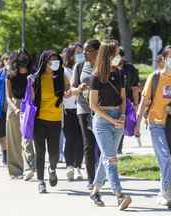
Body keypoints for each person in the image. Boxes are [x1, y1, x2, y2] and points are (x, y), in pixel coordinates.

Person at [134, 45, 171, 208]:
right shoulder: (155, 77)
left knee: (167, 159)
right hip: (156, 124)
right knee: (166, 156)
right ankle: (167, 192)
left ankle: (162, 192)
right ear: (164, 59)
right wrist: (137, 124)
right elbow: (144, 102)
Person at [89, 40, 131, 210]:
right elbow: (93, 105)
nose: (119, 56)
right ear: (108, 54)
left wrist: (121, 115)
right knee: (111, 158)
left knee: (106, 157)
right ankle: (119, 195)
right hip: (102, 121)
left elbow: (123, 98)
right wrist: (112, 120)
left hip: (117, 118)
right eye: (116, 52)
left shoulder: (119, 73)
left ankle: (95, 191)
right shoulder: (96, 76)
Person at [69, 39, 101, 190]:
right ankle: (91, 179)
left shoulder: (104, 66)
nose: (85, 53)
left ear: (97, 51)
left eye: (88, 51)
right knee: (88, 144)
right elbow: (71, 90)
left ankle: (101, 175)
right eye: (84, 51)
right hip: (84, 109)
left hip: (101, 109)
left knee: (101, 145)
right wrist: (79, 88)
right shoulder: (79, 66)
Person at [33, 50, 65, 193]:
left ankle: (52, 169)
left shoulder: (61, 76)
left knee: (54, 154)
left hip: (55, 120)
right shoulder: (36, 78)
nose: (54, 63)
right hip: (39, 120)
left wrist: (72, 92)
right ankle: (40, 181)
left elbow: (69, 90)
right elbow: (30, 98)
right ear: (44, 62)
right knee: (40, 151)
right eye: (51, 60)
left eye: (56, 60)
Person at [5, 50, 35, 180]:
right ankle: (15, 170)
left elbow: (34, 93)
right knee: (13, 140)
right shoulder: (10, 75)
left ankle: (29, 168)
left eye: (25, 65)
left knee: (27, 138)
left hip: (28, 104)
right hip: (14, 105)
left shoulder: (31, 75)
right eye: (21, 65)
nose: (23, 69)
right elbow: (8, 96)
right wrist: (15, 109)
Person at [61, 43, 84, 181]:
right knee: (70, 138)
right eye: (77, 52)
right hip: (67, 109)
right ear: (70, 54)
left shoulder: (85, 69)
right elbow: (63, 92)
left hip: (82, 108)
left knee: (81, 140)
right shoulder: (64, 71)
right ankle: (69, 166)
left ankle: (78, 167)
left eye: (82, 52)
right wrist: (71, 91)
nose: (80, 55)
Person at [117, 47, 141, 154]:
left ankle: (119, 149)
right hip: (110, 101)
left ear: (123, 57)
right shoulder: (108, 68)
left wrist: (136, 104)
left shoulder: (130, 69)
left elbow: (135, 88)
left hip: (126, 101)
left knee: (122, 124)